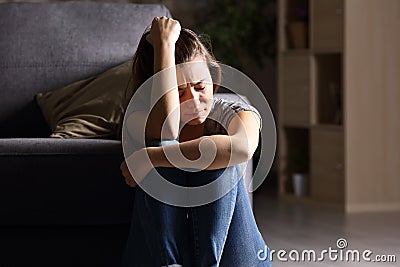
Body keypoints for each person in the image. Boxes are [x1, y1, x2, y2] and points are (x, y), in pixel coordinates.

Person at [120, 16, 272, 267]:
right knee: (162, 145)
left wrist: (147, 158)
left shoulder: (234, 111)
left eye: (200, 87)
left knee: (218, 150)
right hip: (159, 257)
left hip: (233, 260)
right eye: (178, 91)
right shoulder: (139, 118)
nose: (193, 100)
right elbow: (167, 131)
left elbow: (242, 148)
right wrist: (164, 45)